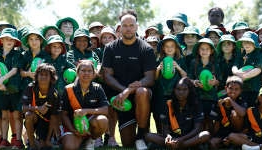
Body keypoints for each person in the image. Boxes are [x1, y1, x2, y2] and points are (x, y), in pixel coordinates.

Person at [102, 10, 156, 150]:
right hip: (121, 98)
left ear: (137, 27)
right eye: (124, 25)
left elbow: (150, 78)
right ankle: (137, 135)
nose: (128, 28)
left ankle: (142, 134)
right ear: (119, 28)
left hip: (140, 94)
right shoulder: (110, 48)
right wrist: (123, 91)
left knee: (142, 91)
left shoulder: (146, 49)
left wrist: (129, 90)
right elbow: (107, 75)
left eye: (131, 25)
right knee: (127, 143)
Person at [145, 77, 210, 149]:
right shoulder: (168, 104)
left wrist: (181, 140)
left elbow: (197, 129)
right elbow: (165, 128)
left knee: (205, 135)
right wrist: (168, 137)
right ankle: (177, 145)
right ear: (174, 90)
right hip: (174, 138)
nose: (181, 92)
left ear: (190, 90)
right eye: (178, 89)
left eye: (185, 89)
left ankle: (179, 146)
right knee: (148, 136)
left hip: (188, 137)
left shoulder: (196, 104)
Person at [60, 60, 109, 150]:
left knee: (103, 120)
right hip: (72, 125)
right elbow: (63, 114)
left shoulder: (98, 88)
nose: (86, 73)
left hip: (90, 125)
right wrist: (72, 130)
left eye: (89, 71)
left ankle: (90, 140)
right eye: (83, 70)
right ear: (77, 73)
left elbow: (105, 109)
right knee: (69, 147)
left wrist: (86, 111)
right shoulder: (68, 89)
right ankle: (79, 140)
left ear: (94, 74)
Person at [0, 28, 23, 149]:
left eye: (11, 39)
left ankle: (18, 141)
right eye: (6, 39)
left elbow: (14, 70)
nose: (9, 41)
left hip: (14, 89)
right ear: (1, 41)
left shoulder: (17, 55)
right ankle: (4, 140)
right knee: (4, 116)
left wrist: (1, 80)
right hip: (2, 91)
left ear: (15, 42)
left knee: (16, 116)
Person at [153, 35, 187, 135]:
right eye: (167, 46)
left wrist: (179, 68)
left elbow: (186, 77)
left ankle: (177, 134)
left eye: (172, 46)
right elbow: (155, 78)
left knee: (175, 115)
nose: (169, 48)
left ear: (176, 48)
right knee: (161, 116)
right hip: (161, 93)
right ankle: (162, 135)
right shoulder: (160, 61)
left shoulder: (181, 60)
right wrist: (158, 69)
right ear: (163, 48)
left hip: (176, 94)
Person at [228, 85, 262, 150]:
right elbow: (246, 129)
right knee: (232, 136)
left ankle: (259, 148)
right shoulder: (251, 111)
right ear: (260, 98)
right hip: (254, 139)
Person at [22, 63, 60, 150]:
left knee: (43, 147)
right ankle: (31, 145)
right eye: (41, 74)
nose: (43, 77)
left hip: (47, 124)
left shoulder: (54, 94)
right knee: (28, 115)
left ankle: (46, 141)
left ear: (51, 78)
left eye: (46, 75)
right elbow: (23, 108)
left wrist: (48, 140)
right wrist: (38, 108)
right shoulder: (30, 88)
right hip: (34, 120)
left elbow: (54, 117)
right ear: (36, 76)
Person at [188, 38, 220, 131]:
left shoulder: (215, 65)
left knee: (209, 119)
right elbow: (189, 78)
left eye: (207, 49)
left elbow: (220, 81)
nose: (204, 51)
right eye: (202, 49)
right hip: (198, 96)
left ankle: (208, 138)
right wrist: (194, 82)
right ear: (198, 50)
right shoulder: (194, 63)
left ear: (212, 51)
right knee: (199, 118)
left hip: (211, 97)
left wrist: (215, 82)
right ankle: (199, 138)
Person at [209, 76, 247, 149]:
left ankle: (233, 141)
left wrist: (231, 100)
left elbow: (242, 113)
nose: (233, 91)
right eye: (230, 88)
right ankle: (225, 143)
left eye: (236, 89)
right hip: (222, 131)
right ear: (226, 88)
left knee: (234, 114)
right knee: (213, 142)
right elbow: (213, 120)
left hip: (237, 132)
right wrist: (215, 136)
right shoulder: (220, 100)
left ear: (241, 90)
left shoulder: (241, 99)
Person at [232, 31, 262, 107]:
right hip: (242, 88)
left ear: (254, 44)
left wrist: (244, 76)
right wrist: (236, 72)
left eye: (249, 42)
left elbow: (258, 69)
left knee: (252, 109)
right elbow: (234, 66)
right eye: (245, 42)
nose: (246, 44)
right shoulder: (241, 54)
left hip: (254, 89)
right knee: (242, 108)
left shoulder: (258, 54)